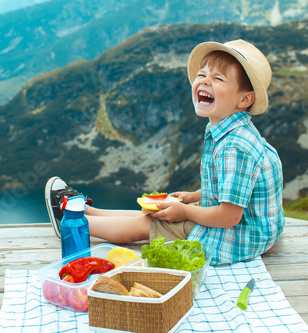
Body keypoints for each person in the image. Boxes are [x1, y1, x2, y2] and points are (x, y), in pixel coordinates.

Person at [45, 39, 285, 265]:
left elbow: (230, 216)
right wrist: (193, 197)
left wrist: (184, 211)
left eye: (218, 79)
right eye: (202, 74)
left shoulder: (235, 146)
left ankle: (71, 222)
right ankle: (89, 211)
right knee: (159, 212)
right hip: (252, 226)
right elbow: (233, 188)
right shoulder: (232, 132)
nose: (204, 81)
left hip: (241, 236)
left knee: (150, 223)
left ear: (244, 99)